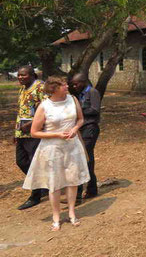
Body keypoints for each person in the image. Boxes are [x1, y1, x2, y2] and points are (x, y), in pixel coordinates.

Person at [23, 76, 90, 231]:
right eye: (63, 85)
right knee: (55, 184)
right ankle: (56, 217)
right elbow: (34, 132)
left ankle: (72, 213)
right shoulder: (45, 106)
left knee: (72, 181)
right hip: (52, 149)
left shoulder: (73, 99)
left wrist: (74, 129)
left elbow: (80, 119)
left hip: (72, 147)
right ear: (53, 89)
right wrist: (57, 135)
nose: (67, 86)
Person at [14, 66, 47, 210]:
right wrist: (16, 132)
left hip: (35, 132)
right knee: (21, 161)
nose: (20, 77)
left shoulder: (41, 87)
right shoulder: (22, 88)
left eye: (24, 75)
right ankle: (42, 184)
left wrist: (32, 124)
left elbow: (48, 108)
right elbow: (21, 111)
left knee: (34, 163)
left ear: (32, 75)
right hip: (22, 133)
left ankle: (35, 195)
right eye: (19, 75)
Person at [71, 73, 101, 200]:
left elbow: (95, 109)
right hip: (82, 129)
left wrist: (78, 111)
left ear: (83, 82)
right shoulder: (80, 94)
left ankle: (78, 194)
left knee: (83, 158)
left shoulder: (92, 92)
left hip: (90, 128)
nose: (74, 86)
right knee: (87, 159)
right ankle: (91, 189)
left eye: (76, 83)